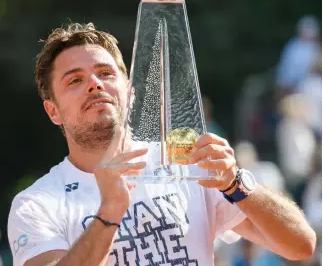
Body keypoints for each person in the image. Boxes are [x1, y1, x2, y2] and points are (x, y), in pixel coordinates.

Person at [7, 23, 316, 266]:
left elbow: (300, 245)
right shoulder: (36, 204)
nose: (95, 83)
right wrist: (110, 211)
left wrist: (236, 184)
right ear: (53, 111)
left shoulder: (186, 164)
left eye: (105, 73)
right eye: (75, 80)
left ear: (130, 92)